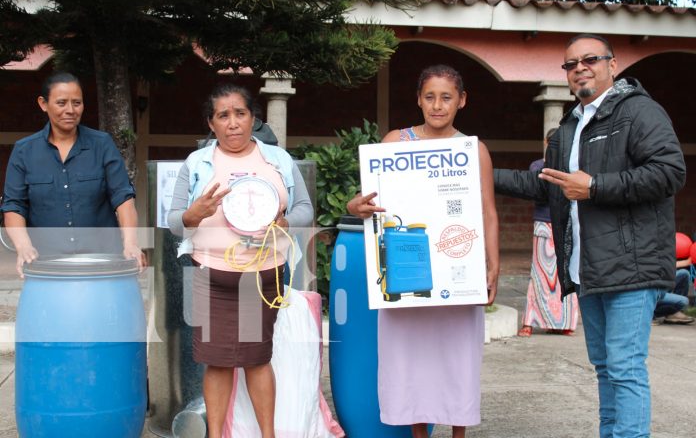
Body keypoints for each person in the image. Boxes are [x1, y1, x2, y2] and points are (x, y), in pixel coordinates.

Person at [494, 34, 686, 437]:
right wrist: (476, 174)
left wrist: (595, 186)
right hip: (590, 269)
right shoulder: (569, 127)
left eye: (590, 59)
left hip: (633, 268)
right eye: (571, 63)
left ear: (612, 65)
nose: (580, 67)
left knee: (625, 368)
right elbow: (545, 184)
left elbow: (670, 172)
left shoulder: (639, 112)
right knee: (606, 369)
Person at [347, 64, 499, 438]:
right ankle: (419, 434)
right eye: (429, 97)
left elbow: (488, 211)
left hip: (457, 271)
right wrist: (356, 208)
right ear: (418, 99)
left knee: (457, 359)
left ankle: (458, 433)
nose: (437, 105)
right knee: (411, 360)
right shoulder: (395, 143)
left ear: (461, 101)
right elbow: (366, 201)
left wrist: (492, 267)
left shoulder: (472, 150)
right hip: (405, 268)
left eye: (446, 97)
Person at [167, 83, 312, 438]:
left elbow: (305, 209)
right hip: (211, 273)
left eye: (240, 113)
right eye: (223, 116)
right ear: (211, 124)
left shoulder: (277, 160)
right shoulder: (197, 163)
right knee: (216, 361)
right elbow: (173, 223)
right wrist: (193, 214)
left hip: (261, 276)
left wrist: (284, 223)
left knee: (256, 358)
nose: (232, 123)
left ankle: (267, 434)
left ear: (253, 119)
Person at [1, 71, 145, 276]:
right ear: (43, 104)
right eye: (61, 103)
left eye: (77, 103)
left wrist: (131, 243)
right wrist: (23, 247)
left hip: (102, 263)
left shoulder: (102, 144)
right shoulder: (24, 151)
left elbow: (122, 198)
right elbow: (14, 206)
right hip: (47, 265)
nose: (70, 110)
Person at [518, 128, 579, 337]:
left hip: (567, 224)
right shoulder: (538, 166)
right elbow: (537, 191)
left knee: (565, 273)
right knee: (540, 274)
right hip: (544, 222)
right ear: (546, 142)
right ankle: (529, 321)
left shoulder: (573, 165)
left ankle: (562, 323)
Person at [653, 258, 695, 325]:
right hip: (651, 289)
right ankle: (649, 314)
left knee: (684, 274)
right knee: (684, 301)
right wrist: (686, 262)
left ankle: (673, 313)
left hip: (660, 284)